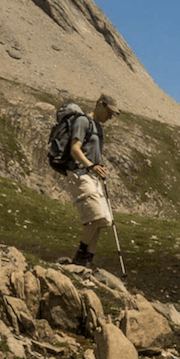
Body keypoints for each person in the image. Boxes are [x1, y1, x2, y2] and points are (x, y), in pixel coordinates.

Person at [65, 93, 120, 267]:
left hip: (92, 175)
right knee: (96, 216)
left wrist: (98, 167)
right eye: (109, 112)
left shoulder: (98, 127)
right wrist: (91, 166)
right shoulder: (83, 121)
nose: (110, 116)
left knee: (104, 219)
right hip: (80, 174)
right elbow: (75, 149)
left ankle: (88, 258)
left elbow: (91, 153)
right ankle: (80, 256)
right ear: (99, 104)